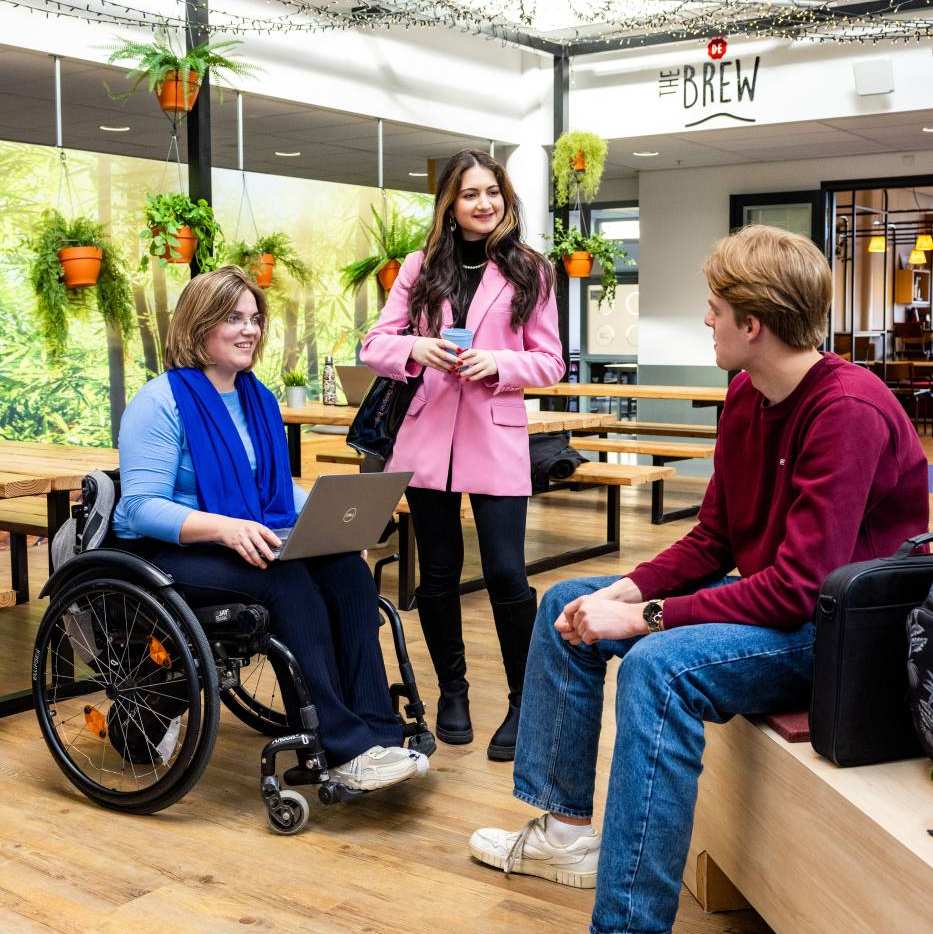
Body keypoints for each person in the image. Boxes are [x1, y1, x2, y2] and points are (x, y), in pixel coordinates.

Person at [468, 225, 929, 932]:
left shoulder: (847, 410)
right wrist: (626, 591)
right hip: (783, 610)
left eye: (714, 307)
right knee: (567, 599)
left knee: (658, 668)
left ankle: (625, 923)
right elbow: (714, 537)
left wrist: (647, 619)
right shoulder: (746, 396)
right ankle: (561, 835)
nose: (705, 320)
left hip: (838, 637)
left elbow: (799, 589)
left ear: (753, 323)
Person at [112, 266, 427, 792]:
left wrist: (331, 521)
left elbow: (273, 493)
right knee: (284, 581)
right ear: (198, 326)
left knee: (347, 571)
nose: (249, 329)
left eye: (255, 318)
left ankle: (379, 733)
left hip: (250, 537)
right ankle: (341, 746)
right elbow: (138, 508)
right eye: (233, 318)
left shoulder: (255, 397)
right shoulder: (159, 402)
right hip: (171, 552)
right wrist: (225, 528)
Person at [360, 149, 565, 761]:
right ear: (450, 202)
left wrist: (500, 362)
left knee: (507, 572)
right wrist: (416, 349)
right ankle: (453, 690)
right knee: (439, 574)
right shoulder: (421, 268)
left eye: (493, 193)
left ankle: (524, 701)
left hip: (496, 434)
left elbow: (552, 362)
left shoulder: (533, 271)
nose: (484, 204)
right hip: (426, 442)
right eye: (471, 193)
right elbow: (375, 343)